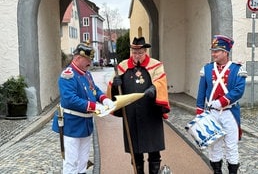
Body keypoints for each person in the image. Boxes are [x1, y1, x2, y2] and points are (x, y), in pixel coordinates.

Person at [106, 37, 170, 174]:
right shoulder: (122, 66)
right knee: (135, 152)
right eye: (134, 53)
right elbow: (113, 92)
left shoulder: (156, 65)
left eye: (140, 53)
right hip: (131, 115)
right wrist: (116, 85)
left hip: (150, 114)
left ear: (145, 51)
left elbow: (161, 82)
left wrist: (154, 89)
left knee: (154, 151)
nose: (136, 56)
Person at [52, 42, 115, 173]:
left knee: (83, 161)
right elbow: (70, 100)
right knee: (71, 162)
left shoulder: (86, 73)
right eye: (87, 60)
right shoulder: (68, 75)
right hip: (72, 124)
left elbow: (94, 89)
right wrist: (94, 106)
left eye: (90, 60)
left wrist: (105, 99)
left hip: (85, 124)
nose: (90, 63)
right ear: (77, 58)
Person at [195, 35, 247, 174]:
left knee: (231, 146)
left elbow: (239, 91)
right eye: (212, 51)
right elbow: (201, 93)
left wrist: (221, 102)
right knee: (214, 146)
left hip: (230, 113)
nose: (213, 54)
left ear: (225, 52)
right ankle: (217, 172)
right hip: (212, 113)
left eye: (216, 51)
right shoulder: (206, 69)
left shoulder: (237, 69)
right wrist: (200, 114)